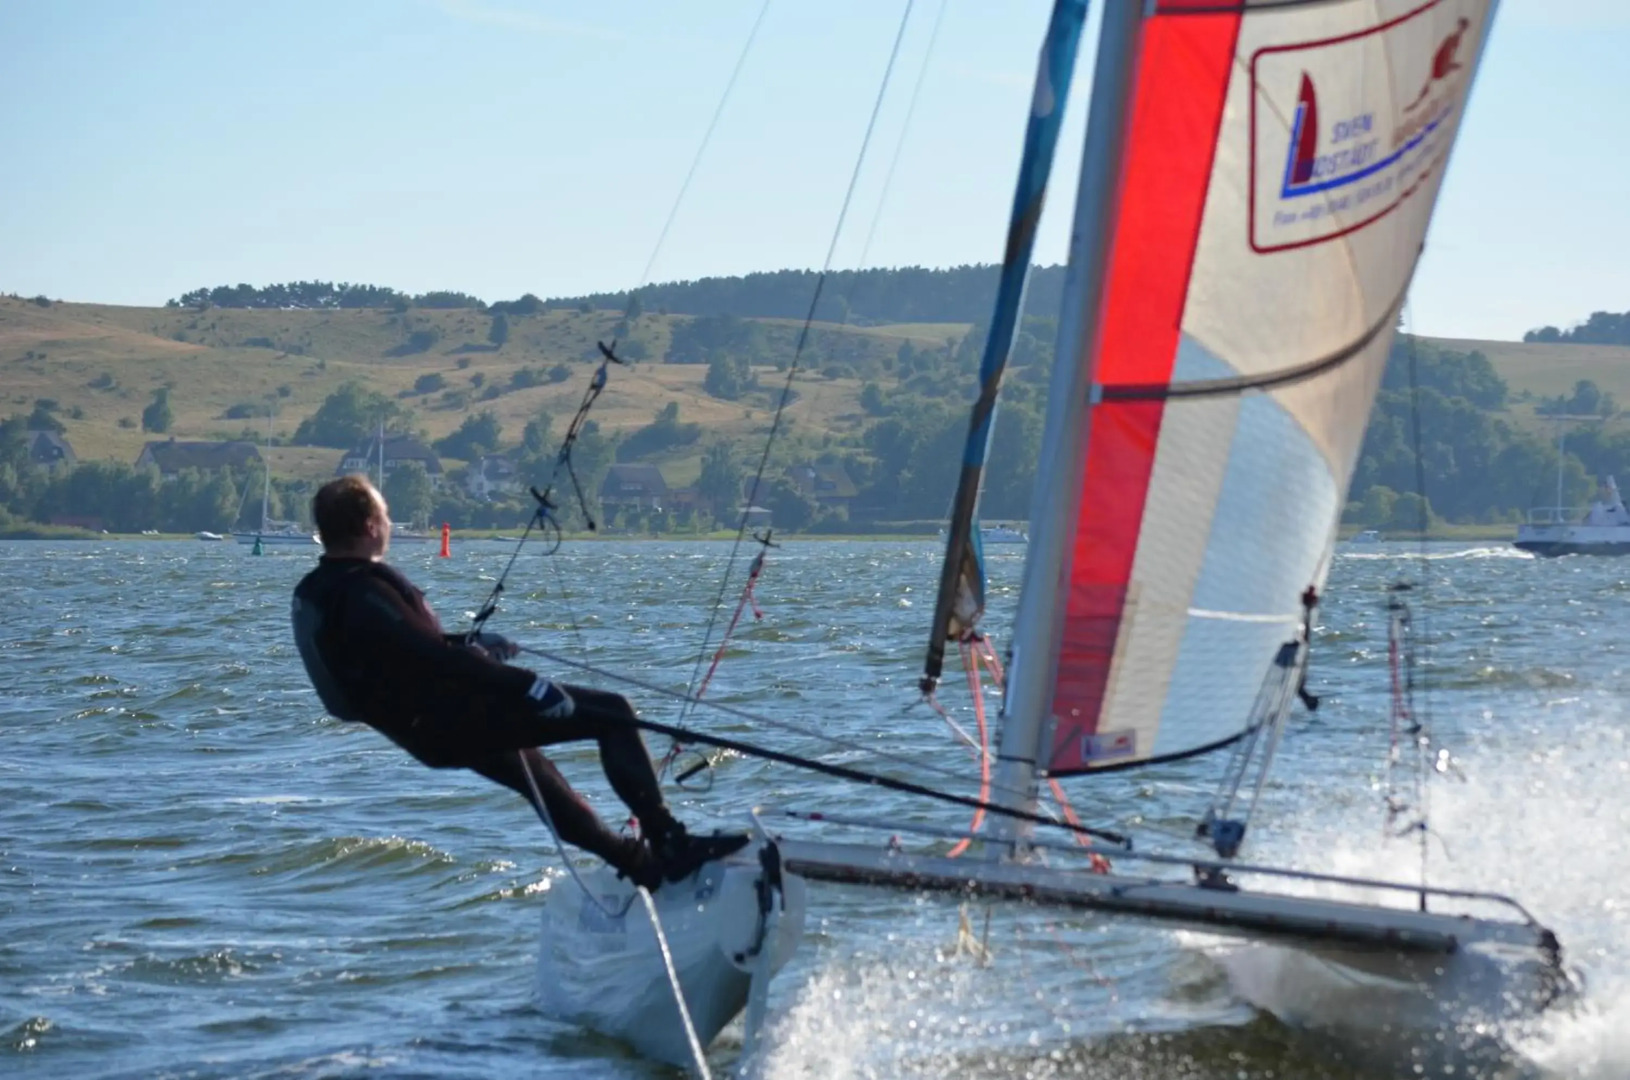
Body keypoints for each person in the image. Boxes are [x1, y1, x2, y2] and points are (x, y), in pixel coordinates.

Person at [289, 474, 745, 890]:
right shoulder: (362, 593)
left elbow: (403, 649)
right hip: (449, 719)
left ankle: (640, 865)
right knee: (614, 713)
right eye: (385, 515)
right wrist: (529, 685)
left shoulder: (327, 587)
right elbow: (431, 658)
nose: (389, 523)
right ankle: (669, 843)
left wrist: (473, 643)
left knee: (537, 777)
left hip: (428, 729)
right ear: (371, 526)